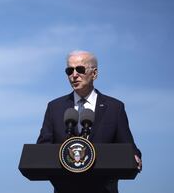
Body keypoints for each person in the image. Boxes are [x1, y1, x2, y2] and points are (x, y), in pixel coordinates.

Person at [37, 50, 142, 193]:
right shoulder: (54, 107)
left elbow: (128, 146)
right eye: (69, 70)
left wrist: (135, 156)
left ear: (94, 73)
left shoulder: (114, 108)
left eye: (80, 69)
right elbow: (42, 150)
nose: (74, 75)